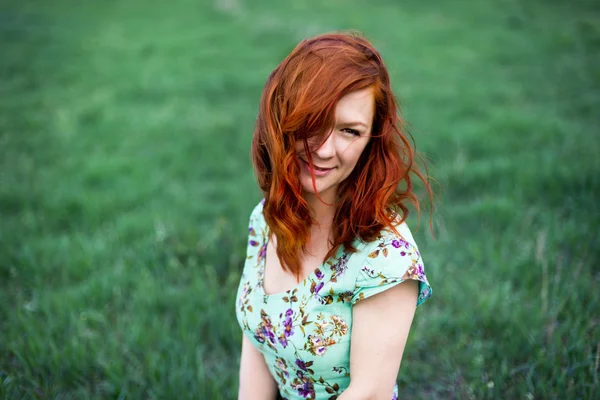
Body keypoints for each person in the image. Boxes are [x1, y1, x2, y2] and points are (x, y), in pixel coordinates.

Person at [235, 31, 433, 400]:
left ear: (371, 139)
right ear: (281, 120)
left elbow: (369, 393)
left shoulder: (385, 257)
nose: (325, 150)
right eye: (314, 121)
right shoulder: (265, 220)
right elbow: (257, 335)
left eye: (349, 131)